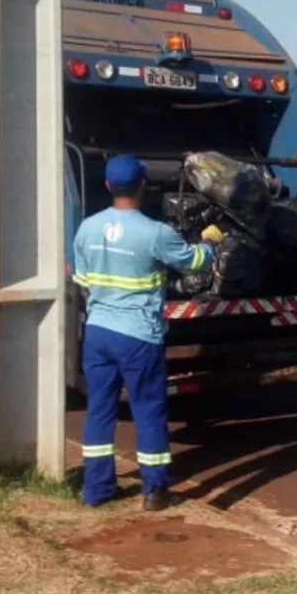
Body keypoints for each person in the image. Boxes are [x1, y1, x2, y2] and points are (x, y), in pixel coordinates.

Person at [73, 154, 223, 510]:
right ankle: (155, 491)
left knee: (99, 410)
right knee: (148, 411)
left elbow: (82, 281)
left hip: (98, 332)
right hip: (138, 336)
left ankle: (96, 489)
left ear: (107, 186)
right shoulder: (155, 233)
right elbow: (194, 261)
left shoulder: (87, 229)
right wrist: (211, 241)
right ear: (143, 185)